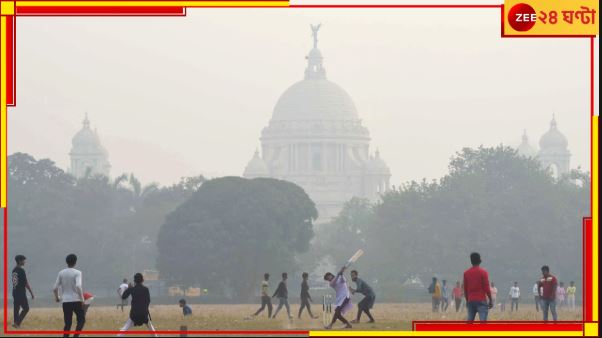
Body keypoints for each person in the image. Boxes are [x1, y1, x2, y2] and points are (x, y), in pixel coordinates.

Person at [53, 254, 85, 338]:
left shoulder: (61, 273)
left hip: (66, 301)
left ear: (66, 262)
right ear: (75, 262)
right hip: (76, 300)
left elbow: (55, 288)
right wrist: (82, 299)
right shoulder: (77, 272)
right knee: (81, 320)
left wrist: (57, 297)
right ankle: (76, 336)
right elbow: (78, 286)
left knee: (68, 323)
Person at [118, 273, 157, 337]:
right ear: (142, 280)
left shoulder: (132, 289)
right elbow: (148, 301)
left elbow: (123, 297)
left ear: (134, 281)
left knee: (125, 328)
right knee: (151, 329)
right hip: (144, 314)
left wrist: (129, 288)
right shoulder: (146, 289)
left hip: (134, 314)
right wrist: (144, 310)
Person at [463, 252, 493, 321]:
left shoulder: (466, 273)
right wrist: (490, 300)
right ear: (479, 261)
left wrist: (467, 301)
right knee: (483, 321)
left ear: (471, 261)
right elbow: (486, 288)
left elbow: (465, 289)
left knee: (470, 320)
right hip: (481, 300)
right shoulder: (483, 272)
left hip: (471, 300)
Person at [12, 255, 35, 329]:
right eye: (23, 260)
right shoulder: (21, 270)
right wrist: (31, 293)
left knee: (16, 308)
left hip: (15, 291)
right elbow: (26, 283)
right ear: (19, 261)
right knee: (26, 308)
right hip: (21, 292)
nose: (24, 261)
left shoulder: (14, 270)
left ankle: (15, 323)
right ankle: (17, 323)